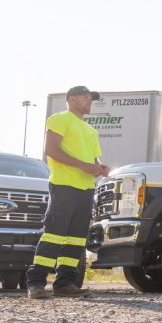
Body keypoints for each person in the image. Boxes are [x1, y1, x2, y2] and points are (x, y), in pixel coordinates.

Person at [26, 85, 109, 299]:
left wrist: (100, 168)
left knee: (76, 239)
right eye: (85, 97)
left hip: (86, 189)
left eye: (92, 98)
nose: (90, 101)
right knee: (54, 234)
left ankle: (64, 283)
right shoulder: (59, 119)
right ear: (71, 99)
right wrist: (83, 166)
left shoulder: (91, 130)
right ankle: (35, 283)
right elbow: (51, 150)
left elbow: (93, 161)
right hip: (63, 186)